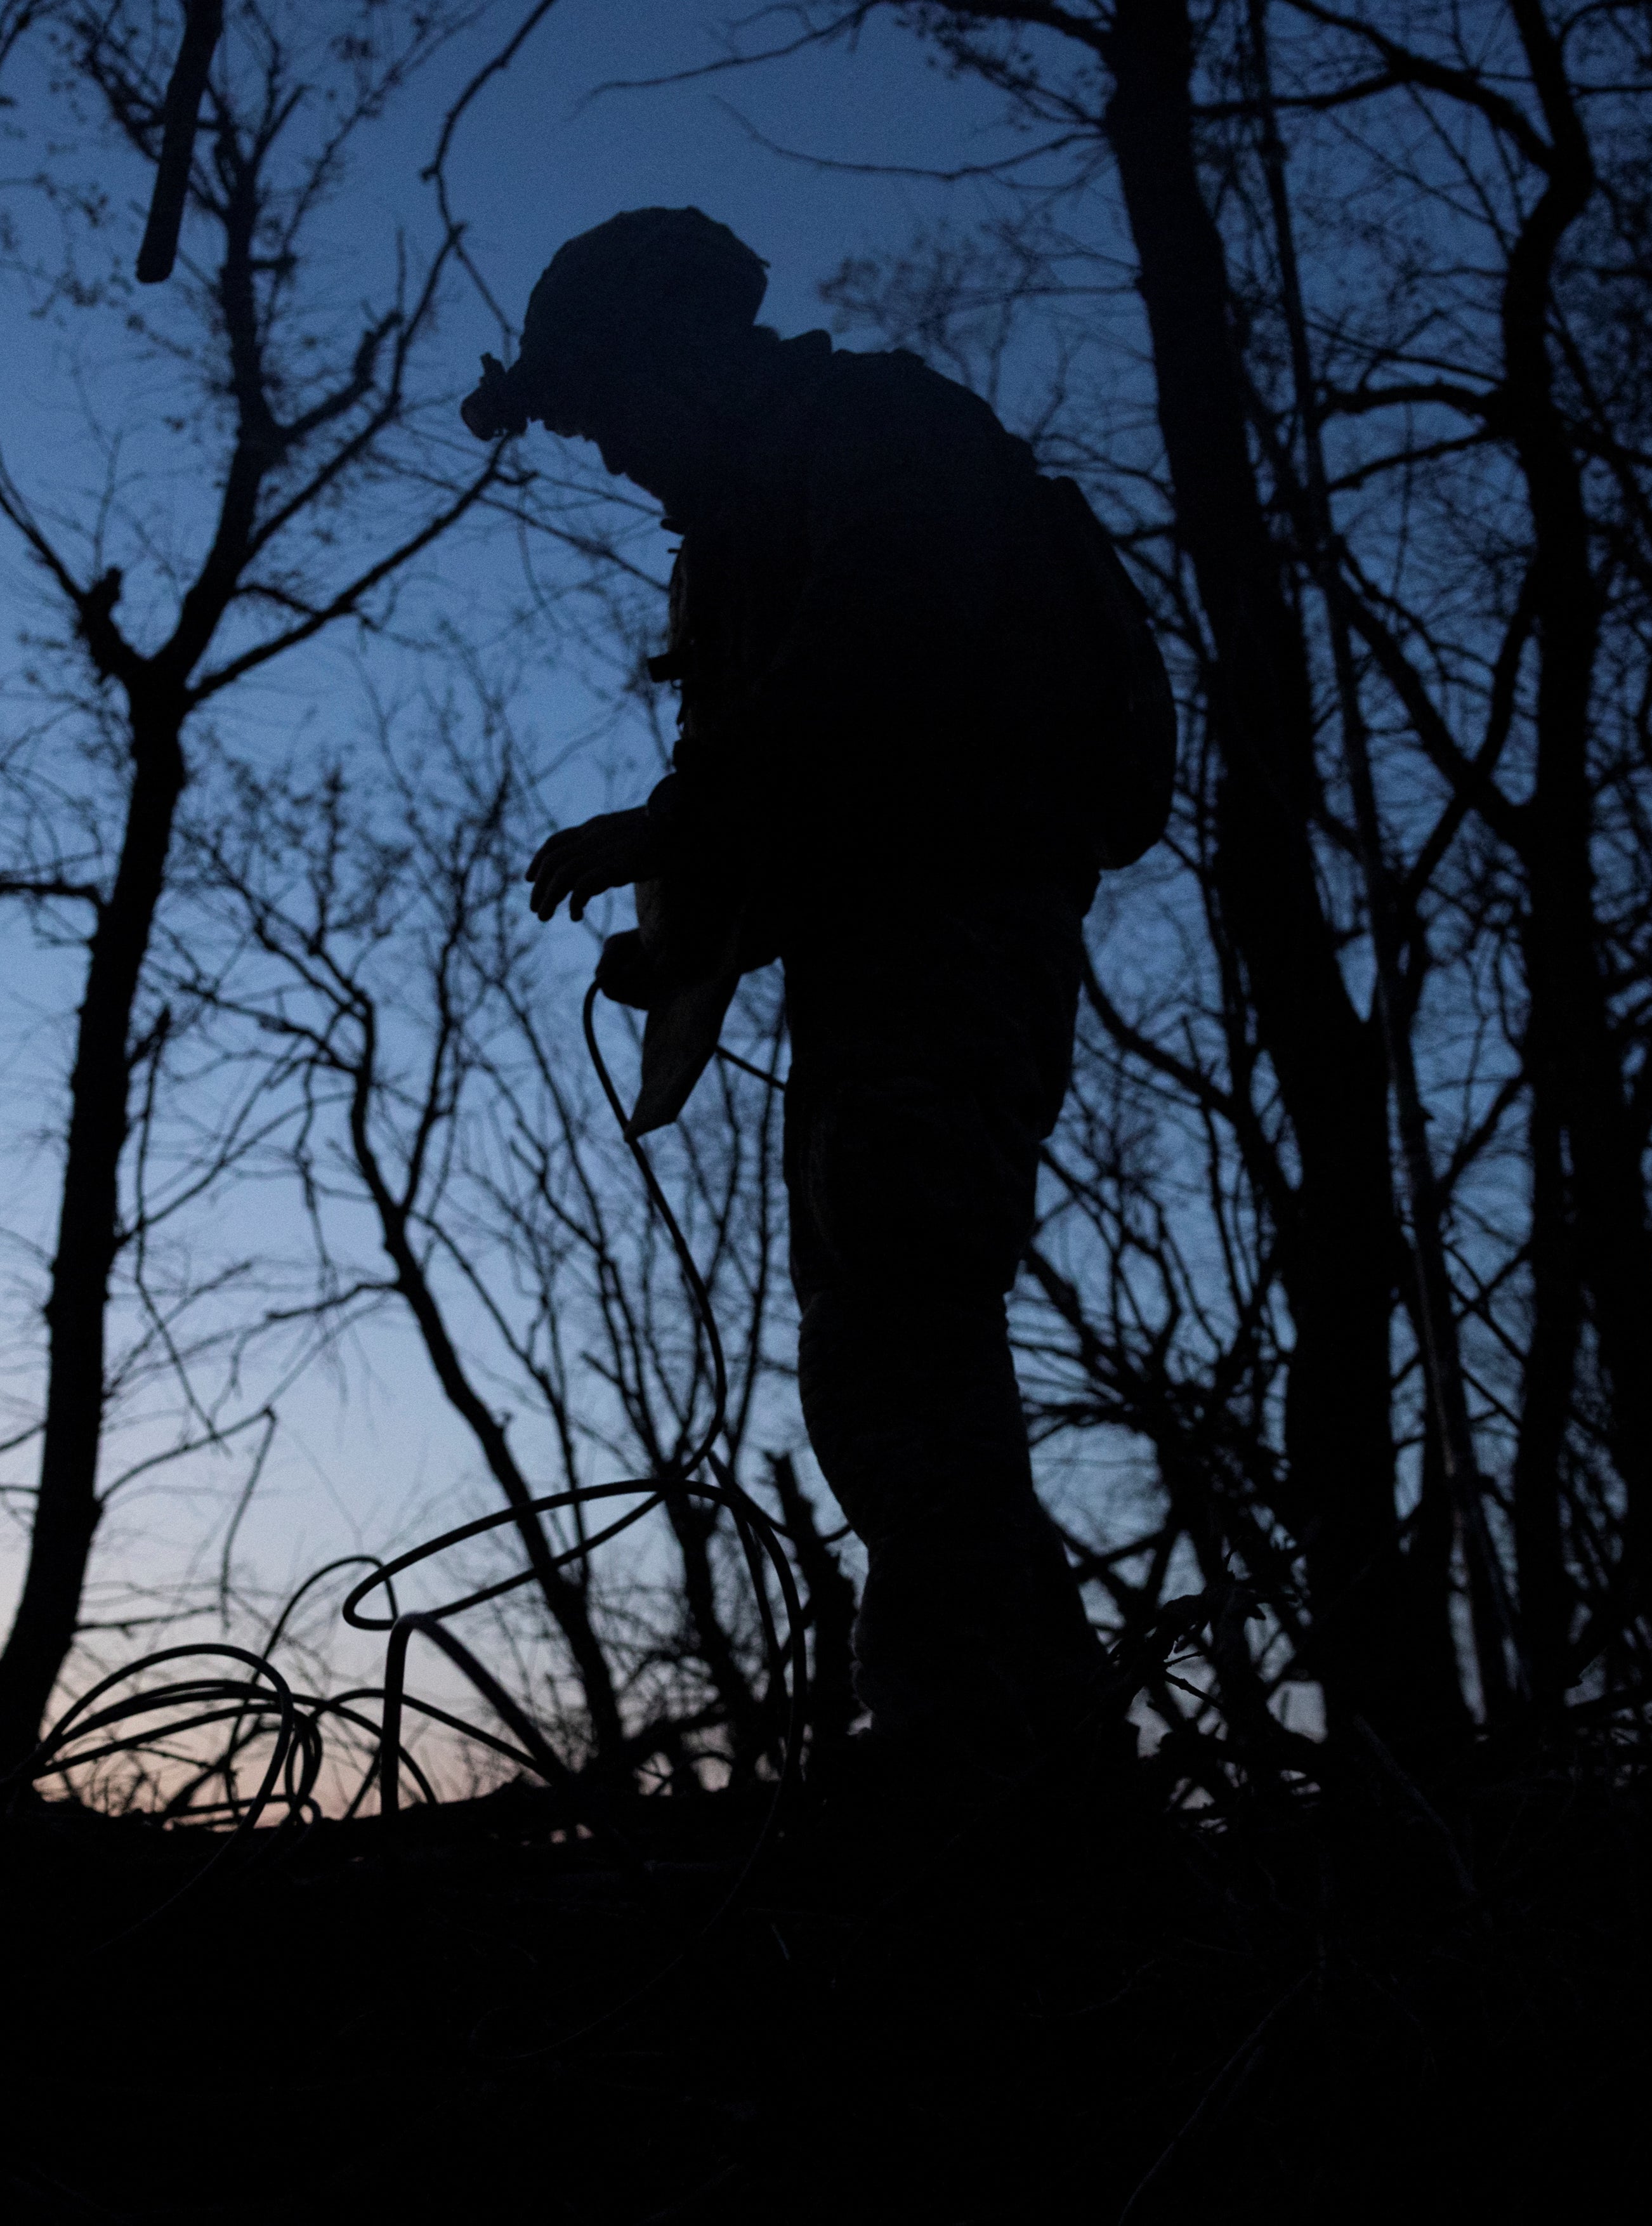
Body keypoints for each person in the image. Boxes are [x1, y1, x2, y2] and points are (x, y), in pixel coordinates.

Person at [466, 207, 1131, 1784]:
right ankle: (1036, 1754)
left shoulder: (887, 429)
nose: (614, 454)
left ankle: (967, 1751)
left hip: (963, 925)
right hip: (858, 956)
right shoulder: (731, 554)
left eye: (610, 408)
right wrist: (689, 938)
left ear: (687, 355)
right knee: (875, 1333)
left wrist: (682, 835)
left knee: (902, 1277)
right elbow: (769, 781)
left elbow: (880, 667)